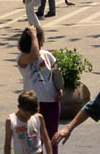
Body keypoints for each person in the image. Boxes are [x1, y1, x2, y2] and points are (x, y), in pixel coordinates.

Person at [17, 26, 62, 154]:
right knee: (35, 140)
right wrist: (34, 35)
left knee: (52, 138)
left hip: (52, 102)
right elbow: (35, 56)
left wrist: (60, 89)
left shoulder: (48, 55)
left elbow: (55, 74)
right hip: (33, 104)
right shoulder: (22, 58)